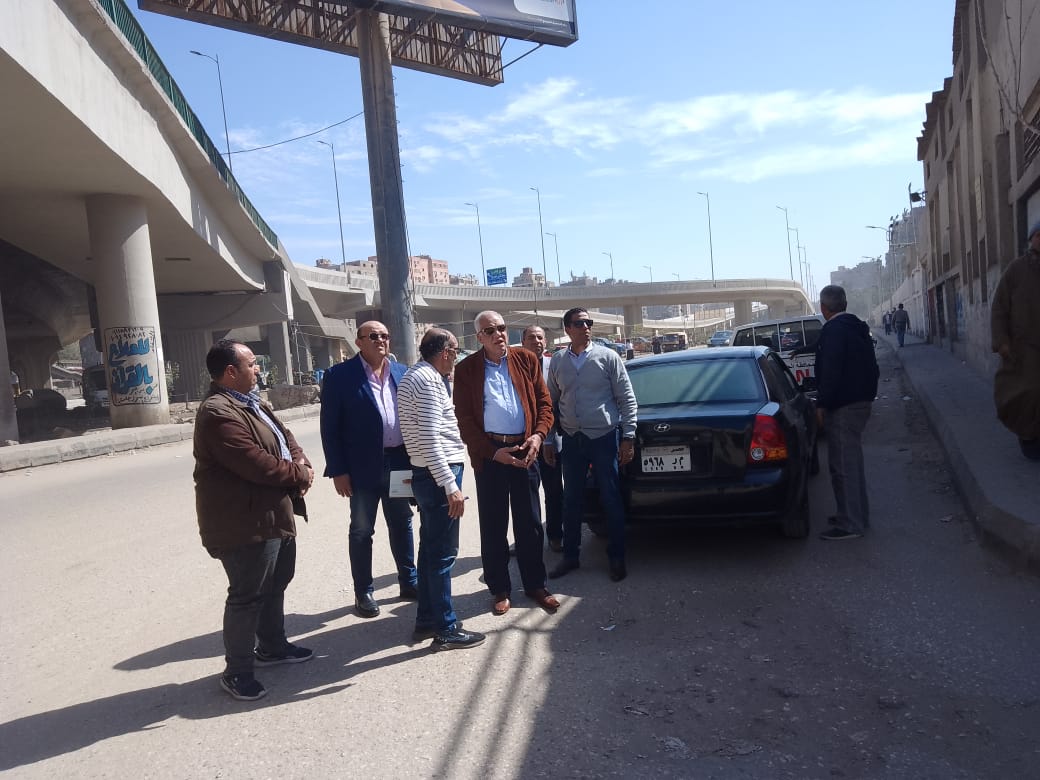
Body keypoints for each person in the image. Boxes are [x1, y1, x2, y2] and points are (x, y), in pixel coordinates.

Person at [193, 339, 315, 701]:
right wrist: (300, 474)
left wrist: (301, 461)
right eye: (252, 363)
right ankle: (237, 672)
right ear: (231, 372)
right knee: (246, 595)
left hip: (272, 513)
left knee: (277, 581)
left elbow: (285, 438)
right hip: (244, 521)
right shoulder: (217, 413)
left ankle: (273, 647)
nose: (258, 368)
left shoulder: (251, 402)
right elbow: (255, 463)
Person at [454, 312, 560, 616]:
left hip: (525, 449)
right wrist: (491, 452)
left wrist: (539, 436)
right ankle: (500, 589)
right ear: (479, 337)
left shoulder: (525, 359)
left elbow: (545, 404)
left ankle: (536, 585)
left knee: (530, 523)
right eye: (490, 331)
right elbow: (464, 421)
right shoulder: (467, 369)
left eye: (501, 328)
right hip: (491, 455)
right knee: (493, 525)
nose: (498, 334)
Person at [320, 320, 417, 619]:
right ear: (359, 341)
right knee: (362, 530)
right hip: (361, 468)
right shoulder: (339, 376)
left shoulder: (401, 372)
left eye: (384, 336)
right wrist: (338, 470)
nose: (380, 340)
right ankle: (363, 591)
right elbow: (330, 429)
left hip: (399, 462)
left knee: (402, 522)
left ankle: (409, 581)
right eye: (373, 336)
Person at [397, 328, 486, 651]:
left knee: (430, 550)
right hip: (439, 474)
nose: (456, 359)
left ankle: (427, 618)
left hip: (430, 472)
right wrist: (450, 485)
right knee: (443, 554)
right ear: (446, 352)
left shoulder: (418, 376)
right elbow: (430, 438)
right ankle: (445, 628)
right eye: (456, 352)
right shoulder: (427, 381)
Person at [546, 308, 638, 581]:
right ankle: (570, 556)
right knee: (571, 500)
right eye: (579, 323)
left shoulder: (608, 357)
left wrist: (628, 436)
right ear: (567, 329)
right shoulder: (559, 361)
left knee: (610, 497)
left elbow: (626, 398)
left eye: (588, 322)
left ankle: (617, 557)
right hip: (572, 439)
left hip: (604, 438)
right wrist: (549, 439)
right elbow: (550, 403)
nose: (585, 327)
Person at [814, 286, 880, 541]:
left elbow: (830, 371)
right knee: (852, 463)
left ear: (824, 308)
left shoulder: (833, 330)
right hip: (861, 401)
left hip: (843, 406)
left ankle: (850, 523)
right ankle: (855, 514)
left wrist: (821, 404)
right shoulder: (855, 326)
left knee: (843, 465)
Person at [991, 220, 1040, 461]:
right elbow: (999, 308)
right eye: (1039, 235)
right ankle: (1029, 439)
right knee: (1025, 395)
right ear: (1031, 239)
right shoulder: (1016, 270)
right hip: (1023, 350)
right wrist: (1002, 342)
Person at [521, 324, 564, 551]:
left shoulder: (554, 365)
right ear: (523, 342)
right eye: (531, 337)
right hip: (523, 442)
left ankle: (555, 535)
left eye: (540, 338)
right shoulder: (514, 366)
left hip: (551, 441)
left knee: (554, 491)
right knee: (525, 496)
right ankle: (528, 540)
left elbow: (557, 404)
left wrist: (548, 439)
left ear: (545, 342)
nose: (536, 341)